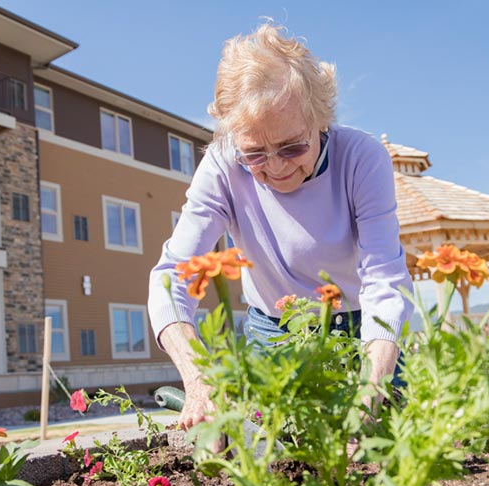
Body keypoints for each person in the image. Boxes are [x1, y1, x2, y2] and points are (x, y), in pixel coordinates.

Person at [148, 22, 412, 435]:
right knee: (282, 449)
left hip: (362, 325)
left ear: (320, 120)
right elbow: (170, 278)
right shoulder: (221, 164)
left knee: (386, 441)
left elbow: (385, 279)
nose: (275, 167)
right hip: (274, 331)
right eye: (255, 154)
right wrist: (199, 382)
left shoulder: (362, 157)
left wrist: (372, 382)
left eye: (292, 147)